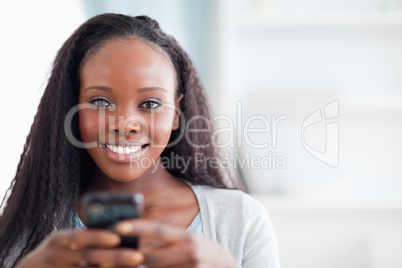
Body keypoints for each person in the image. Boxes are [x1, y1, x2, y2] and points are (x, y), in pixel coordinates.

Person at [0, 13, 279, 268]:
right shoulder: (27, 225)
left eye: (150, 103)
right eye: (99, 101)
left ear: (176, 113)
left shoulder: (240, 220)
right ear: (72, 108)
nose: (125, 125)